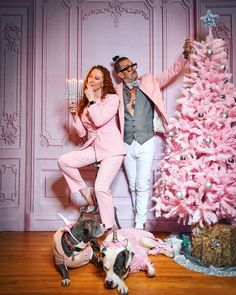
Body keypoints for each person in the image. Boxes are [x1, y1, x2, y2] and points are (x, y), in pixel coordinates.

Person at [112, 39, 193, 230]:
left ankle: (139, 225)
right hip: (125, 143)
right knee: (132, 185)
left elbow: (171, 72)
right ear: (120, 74)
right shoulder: (115, 92)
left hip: (147, 140)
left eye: (133, 65)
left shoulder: (149, 81)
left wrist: (185, 55)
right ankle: (138, 218)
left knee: (142, 183)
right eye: (128, 67)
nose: (133, 69)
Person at [58, 65, 126, 230]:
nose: (92, 80)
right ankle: (85, 192)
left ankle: (109, 230)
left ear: (103, 82)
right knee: (64, 161)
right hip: (94, 148)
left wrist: (93, 101)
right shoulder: (86, 104)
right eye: (90, 77)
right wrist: (75, 115)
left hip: (112, 150)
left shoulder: (112, 99)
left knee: (101, 188)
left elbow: (100, 120)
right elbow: (82, 133)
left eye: (97, 78)